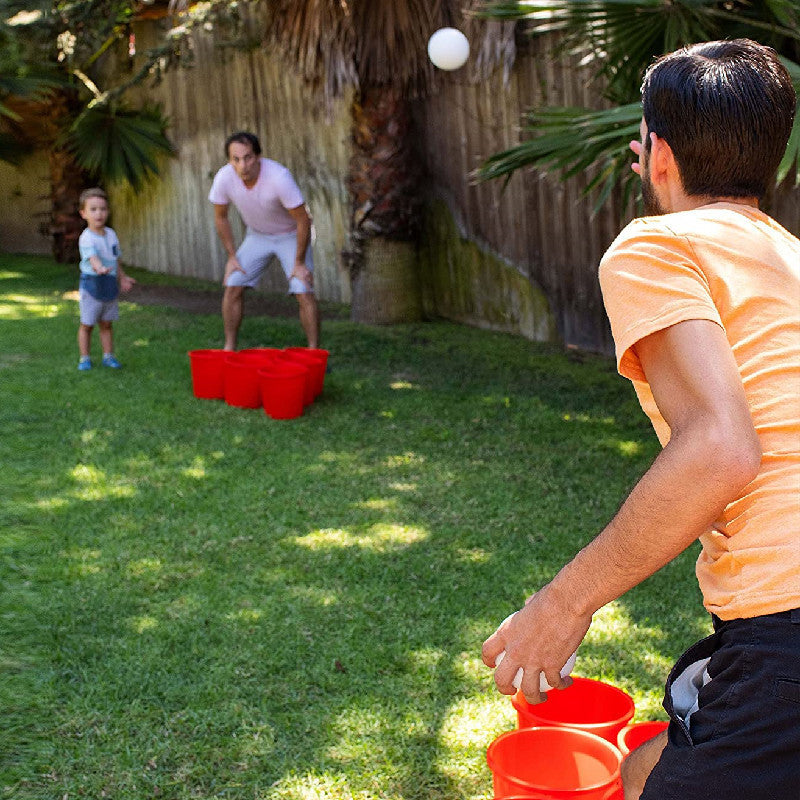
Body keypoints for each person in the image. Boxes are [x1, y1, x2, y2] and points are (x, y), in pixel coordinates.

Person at [482, 38, 799, 800]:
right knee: (645, 768)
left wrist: (559, 605)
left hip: (784, 623)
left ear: (656, 153)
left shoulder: (654, 246)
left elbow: (721, 449)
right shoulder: (789, 257)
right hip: (770, 632)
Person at [208, 131, 320, 350]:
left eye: (248, 157)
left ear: (258, 156)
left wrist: (298, 263)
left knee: (302, 288)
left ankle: (314, 352)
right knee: (233, 284)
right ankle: (229, 348)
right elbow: (221, 217)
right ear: (230, 160)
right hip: (257, 236)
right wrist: (232, 256)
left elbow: (303, 221)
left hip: (290, 235)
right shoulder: (224, 177)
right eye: (236, 159)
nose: (243, 165)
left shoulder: (278, 177)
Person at [77, 187, 136, 371]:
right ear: (83, 213)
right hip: (92, 285)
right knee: (87, 324)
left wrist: (123, 278)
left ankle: (108, 356)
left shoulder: (111, 234)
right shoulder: (86, 238)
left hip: (109, 284)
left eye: (102, 209)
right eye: (93, 209)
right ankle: (84, 358)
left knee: (106, 324)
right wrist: (99, 268)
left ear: (108, 212)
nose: (99, 213)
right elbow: (93, 258)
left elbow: (114, 259)